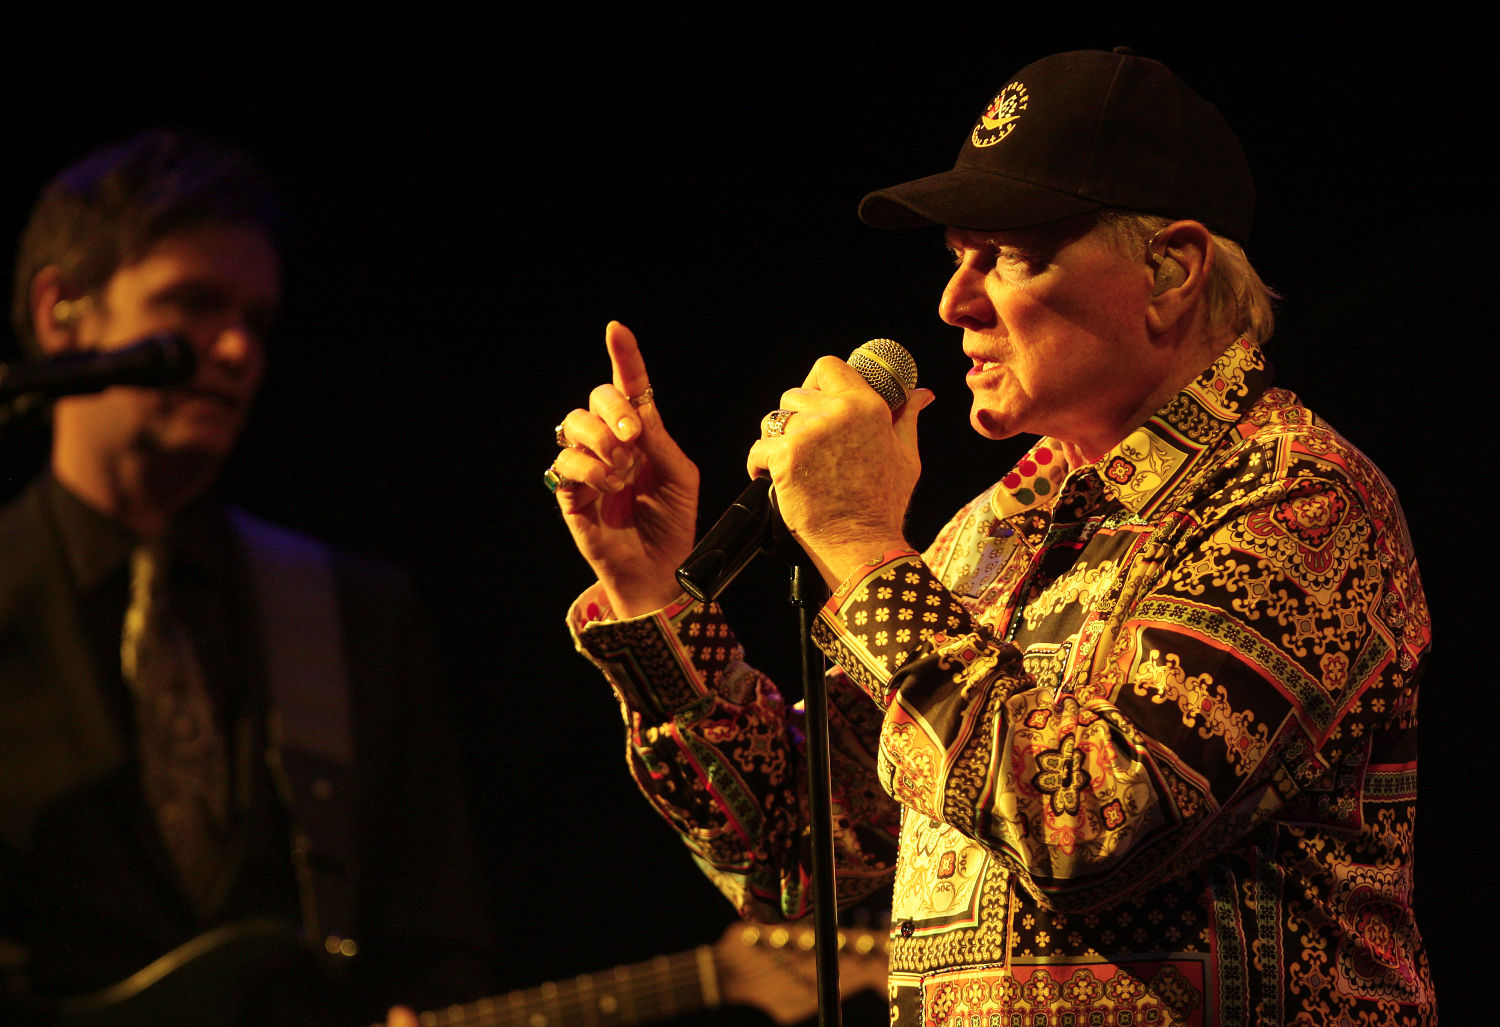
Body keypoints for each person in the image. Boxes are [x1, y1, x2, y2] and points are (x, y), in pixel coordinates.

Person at [551, 49, 1435, 1025]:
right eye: (955, 257)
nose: (953, 304)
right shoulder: (989, 533)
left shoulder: (1299, 504)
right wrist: (649, 594)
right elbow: (808, 861)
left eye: (1007, 256)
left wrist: (857, 539)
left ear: (1171, 269)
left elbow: (1085, 828)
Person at [0, 130, 495, 1026]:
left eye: (256, 322)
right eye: (192, 304)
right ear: (60, 314)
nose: (235, 350)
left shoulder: (354, 617)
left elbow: (437, 948)